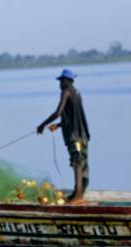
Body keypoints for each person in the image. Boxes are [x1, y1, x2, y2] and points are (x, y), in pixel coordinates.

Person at [37, 69, 90, 202]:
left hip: (75, 136)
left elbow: (58, 113)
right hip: (83, 135)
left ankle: (77, 195)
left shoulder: (66, 92)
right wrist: (58, 125)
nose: (60, 83)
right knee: (81, 161)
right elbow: (73, 116)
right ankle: (78, 193)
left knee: (77, 162)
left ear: (67, 81)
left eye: (62, 80)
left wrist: (42, 124)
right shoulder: (77, 92)